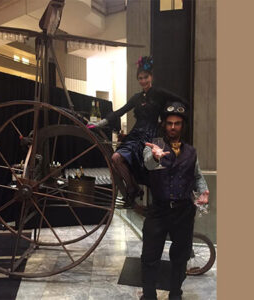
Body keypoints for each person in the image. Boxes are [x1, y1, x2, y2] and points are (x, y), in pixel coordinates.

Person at [88, 56, 188, 207]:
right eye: (140, 78)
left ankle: (138, 193)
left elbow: (181, 101)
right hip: (135, 134)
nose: (143, 81)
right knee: (116, 158)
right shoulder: (136, 98)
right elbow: (119, 112)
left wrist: (170, 118)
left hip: (151, 135)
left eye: (145, 77)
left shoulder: (159, 93)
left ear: (151, 77)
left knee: (151, 169)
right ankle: (133, 188)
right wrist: (100, 123)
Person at [140, 101, 209, 300]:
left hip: (183, 212)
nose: (172, 127)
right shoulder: (154, 146)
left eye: (177, 123)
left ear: (182, 126)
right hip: (159, 211)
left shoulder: (191, 152)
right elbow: (148, 165)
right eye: (169, 123)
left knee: (180, 258)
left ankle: (175, 294)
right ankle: (149, 295)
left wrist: (203, 191)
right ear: (164, 125)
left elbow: (197, 176)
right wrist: (155, 157)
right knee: (150, 256)